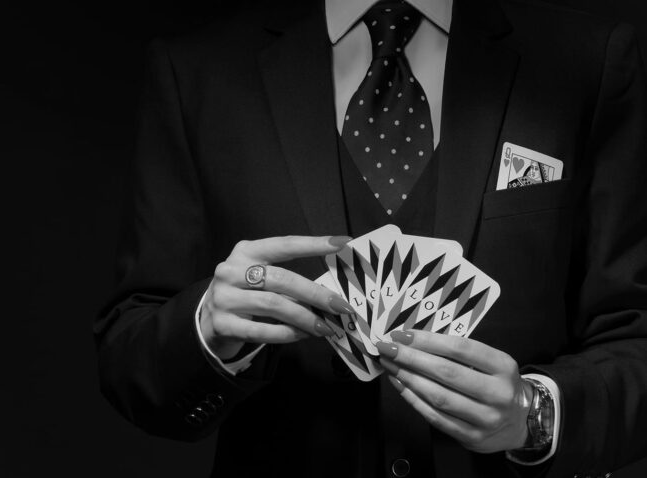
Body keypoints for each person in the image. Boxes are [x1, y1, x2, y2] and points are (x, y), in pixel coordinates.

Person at [95, 0, 647, 476]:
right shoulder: (198, 71)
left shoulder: (587, 60)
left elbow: (637, 338)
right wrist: (207, 328)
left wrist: (534, 414)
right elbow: (130, 360)